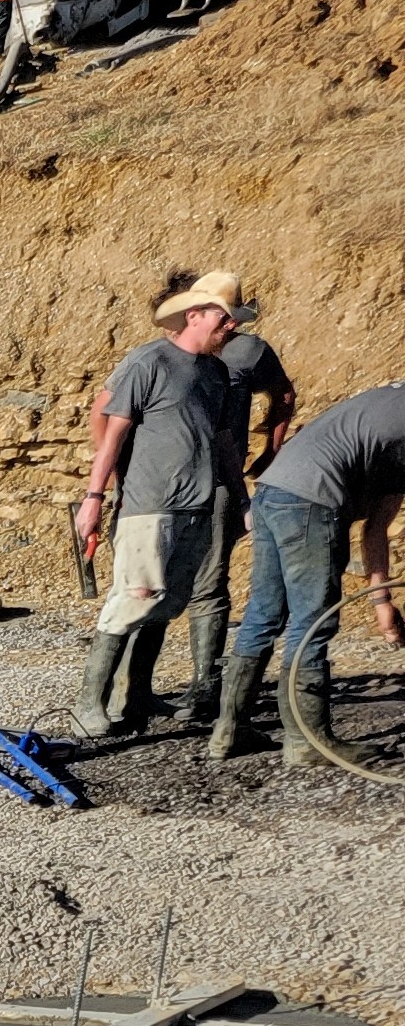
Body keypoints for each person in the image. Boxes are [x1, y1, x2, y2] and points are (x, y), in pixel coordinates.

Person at [73, 275, 236, 737]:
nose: (231, 327)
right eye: (224, 317)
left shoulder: (217, 373)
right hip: (150, 506)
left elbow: (221, 439)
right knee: (133, 599)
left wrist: (238, 496)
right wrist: (94, 497)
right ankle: (90, 705)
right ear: (195, 315)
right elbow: (111, 434)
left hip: (196, 506)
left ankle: (137, 692)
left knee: (166, 602)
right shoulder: (149, 362)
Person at [213, 378, 405, 763]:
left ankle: (229, 732)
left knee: (264, 614)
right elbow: (377, 526)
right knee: (313, 620)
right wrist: (383, 605)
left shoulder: (385, 405)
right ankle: (306, 741)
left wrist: (381, 604)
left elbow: (375, 527)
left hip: (271, 492)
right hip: (310, 500)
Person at [186, 290, 300, 723]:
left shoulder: (250, 350)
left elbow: (283, 394)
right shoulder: (175, 351)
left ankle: (204, 685)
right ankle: (135, 690)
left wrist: (270, 450)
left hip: (220, 480)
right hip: (172, 481)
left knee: (211, 578)